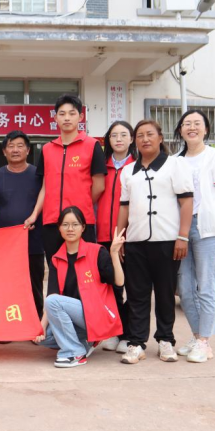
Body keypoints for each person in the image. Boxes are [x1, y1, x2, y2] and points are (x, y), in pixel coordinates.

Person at [116, 120, 194, 365]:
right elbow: (124, 207)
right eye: (140, 135)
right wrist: (119, 238)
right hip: (136, 242)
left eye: (150, 134)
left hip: (167, 241)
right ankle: (136, 343)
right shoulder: (128, 171)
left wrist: (182, 236)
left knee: (165, 294)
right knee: (136, 294)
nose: (145, 139)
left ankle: (165, 340)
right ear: (135, 141)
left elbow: (186, 202)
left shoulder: (175, 165)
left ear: (160, 138)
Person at [173, 110, 215, 363]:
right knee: (185, 288)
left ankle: (204, 342)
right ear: (180, 130)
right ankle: (197, 335)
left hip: (208, 227)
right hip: (181, 229)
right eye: (187, 124)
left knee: (207, 286)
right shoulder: (175, 161)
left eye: (197, 123)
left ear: (206, 129)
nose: (192, 127)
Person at [35, 206, 125, 368]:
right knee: (44, 338)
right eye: (65, 225)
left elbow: (118, 282)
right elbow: (52, 298)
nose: (70, 229)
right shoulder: (56, 259)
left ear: (83, 227)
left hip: (97, 314)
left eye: (75, 224)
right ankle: (86, 342)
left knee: (53, 302)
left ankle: (74, 352)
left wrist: (113, 253)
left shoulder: (97, 252)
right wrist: (40, 327)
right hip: (76, 318)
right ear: (59, 228)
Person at [26, 94, 107, 260]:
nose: (67, 118)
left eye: (72, 113)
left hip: (81, 222)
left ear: (81, 117)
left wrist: (81, 203)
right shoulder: (47, 149)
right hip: (52, 222)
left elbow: (99, 186)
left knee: (83, 267)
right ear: (55, 118)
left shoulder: (92, 145)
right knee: (56, 267)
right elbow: (45, 187)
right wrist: (34, 215)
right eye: (62, 114)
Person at [0, 130, 45, 318]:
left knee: (34, 285)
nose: (15, 150)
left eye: (20, 146)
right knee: (6, 285)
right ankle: (9, 323)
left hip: (33, 241)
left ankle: (36, 323)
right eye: (11, 146)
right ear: (4, 151)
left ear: (28, 150)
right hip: (5, 243)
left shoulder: (38, 175)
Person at [97, 121, 136, 354]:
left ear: (132, 139)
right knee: (111, 288)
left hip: (131, 237)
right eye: (114, 135)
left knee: (133, 286)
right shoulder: (101, 167)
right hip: (103, 235)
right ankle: (114, 331)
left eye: (123, 135)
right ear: (108, 140)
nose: (119, 139)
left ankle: (128, 334)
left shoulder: (138, 167)